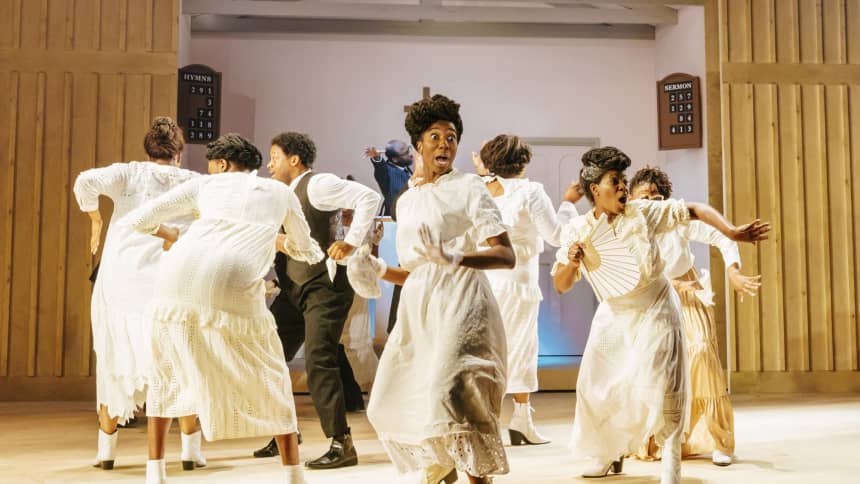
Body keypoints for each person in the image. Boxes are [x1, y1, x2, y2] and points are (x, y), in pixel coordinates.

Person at [552, 147, 770, 483]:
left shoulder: (644, 214)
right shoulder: (577, 230)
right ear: (596, 189)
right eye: (616, 181)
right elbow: (561, 285)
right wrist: (572, 261)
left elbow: (695, 209)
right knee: (595, 387)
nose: (623, 188)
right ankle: (607, 453)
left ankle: (671, 463)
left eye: (625, 181)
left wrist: (731, 232)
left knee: (663, 384)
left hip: (657, 305)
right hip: (614, 315)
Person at [126, 133, 321, 484]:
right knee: (271, 373)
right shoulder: (279, 192)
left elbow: (141, 218)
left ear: (222, 164)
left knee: (167, 373)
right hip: (231, 281)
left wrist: (177, 237)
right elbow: (306, 249)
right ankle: (294, 475)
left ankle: (154, 472)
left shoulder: (204, 186)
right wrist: (276, 239)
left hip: (176, 281)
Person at [358, 94, 515, 484]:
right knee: (414, 407)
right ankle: (442, 473)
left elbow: (505, 254)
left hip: (464, 306)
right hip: (421, 314)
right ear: (418, 144)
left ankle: (479, 478)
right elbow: (415, 272)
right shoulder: (406, 200)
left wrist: (457, 258)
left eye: (451, 137)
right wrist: (376, 267)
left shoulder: (469, 187)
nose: (445, 143)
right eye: (435, 136)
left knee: (456, 399)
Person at [73, 117, 200, 471]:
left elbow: (85, 181)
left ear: (149, 149)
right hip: (172, 280)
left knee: (116, 360)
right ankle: (191, 451)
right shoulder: (193, 181)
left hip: (123, 279)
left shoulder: (129, 173)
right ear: (179, 152)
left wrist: (96, 220)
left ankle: (106, 451)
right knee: (180, 361)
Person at [261, 132, 382, 470]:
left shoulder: (318, 184)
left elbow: (369, 198)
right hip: (294, 289)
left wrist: (352, 242)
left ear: (294, 159)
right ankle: (284, 432)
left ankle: (342, 443)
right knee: (268, 355)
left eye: (274, 156)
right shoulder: (281, 194)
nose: (269, 164)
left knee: (319, 359)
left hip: (324, 286)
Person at [629, 166, 761, 466]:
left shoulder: (677, 220)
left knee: (701, 351)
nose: (653, 201)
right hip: (652, 296)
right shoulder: (629, 226)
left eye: (658, 196)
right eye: (645, 196)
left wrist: (733, 272)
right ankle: (660, 438)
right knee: (657, 368)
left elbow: (723, 238)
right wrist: (670, 285)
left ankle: (719, 440)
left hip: (689, 292)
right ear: (633, 199)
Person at [477, 134, 581, 446]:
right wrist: (568, 203)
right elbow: (557, 235)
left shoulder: (482, 190)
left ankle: (494, 423)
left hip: (486, 280)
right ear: (523, 161)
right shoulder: (530, 191)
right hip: (518, 282)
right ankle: (519, 420)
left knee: (489, 351)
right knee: (520, 349)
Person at [365, 139, 413, 216]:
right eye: (406, 153)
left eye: (408, 150)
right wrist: (377, 158)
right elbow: (380, 168)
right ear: (395, 159)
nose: (410, 155)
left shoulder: (407, 169)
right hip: (395, 219)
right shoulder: (387, 171)